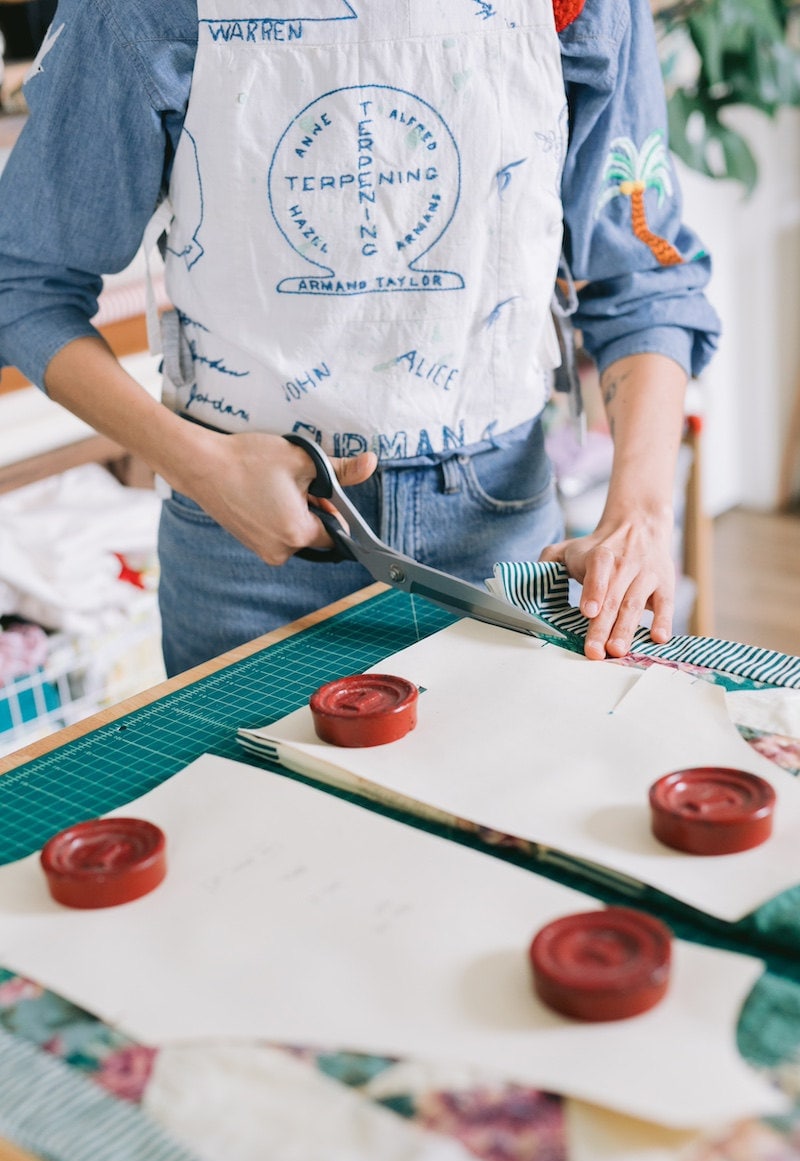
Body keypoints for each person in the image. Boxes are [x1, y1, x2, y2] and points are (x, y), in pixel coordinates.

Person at [0, 0, 720, 676]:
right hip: (246, 552)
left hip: (496, 525)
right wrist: (199, 467)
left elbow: (643, 278)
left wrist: (642, 512)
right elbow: (24, 284)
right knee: (245, 810)